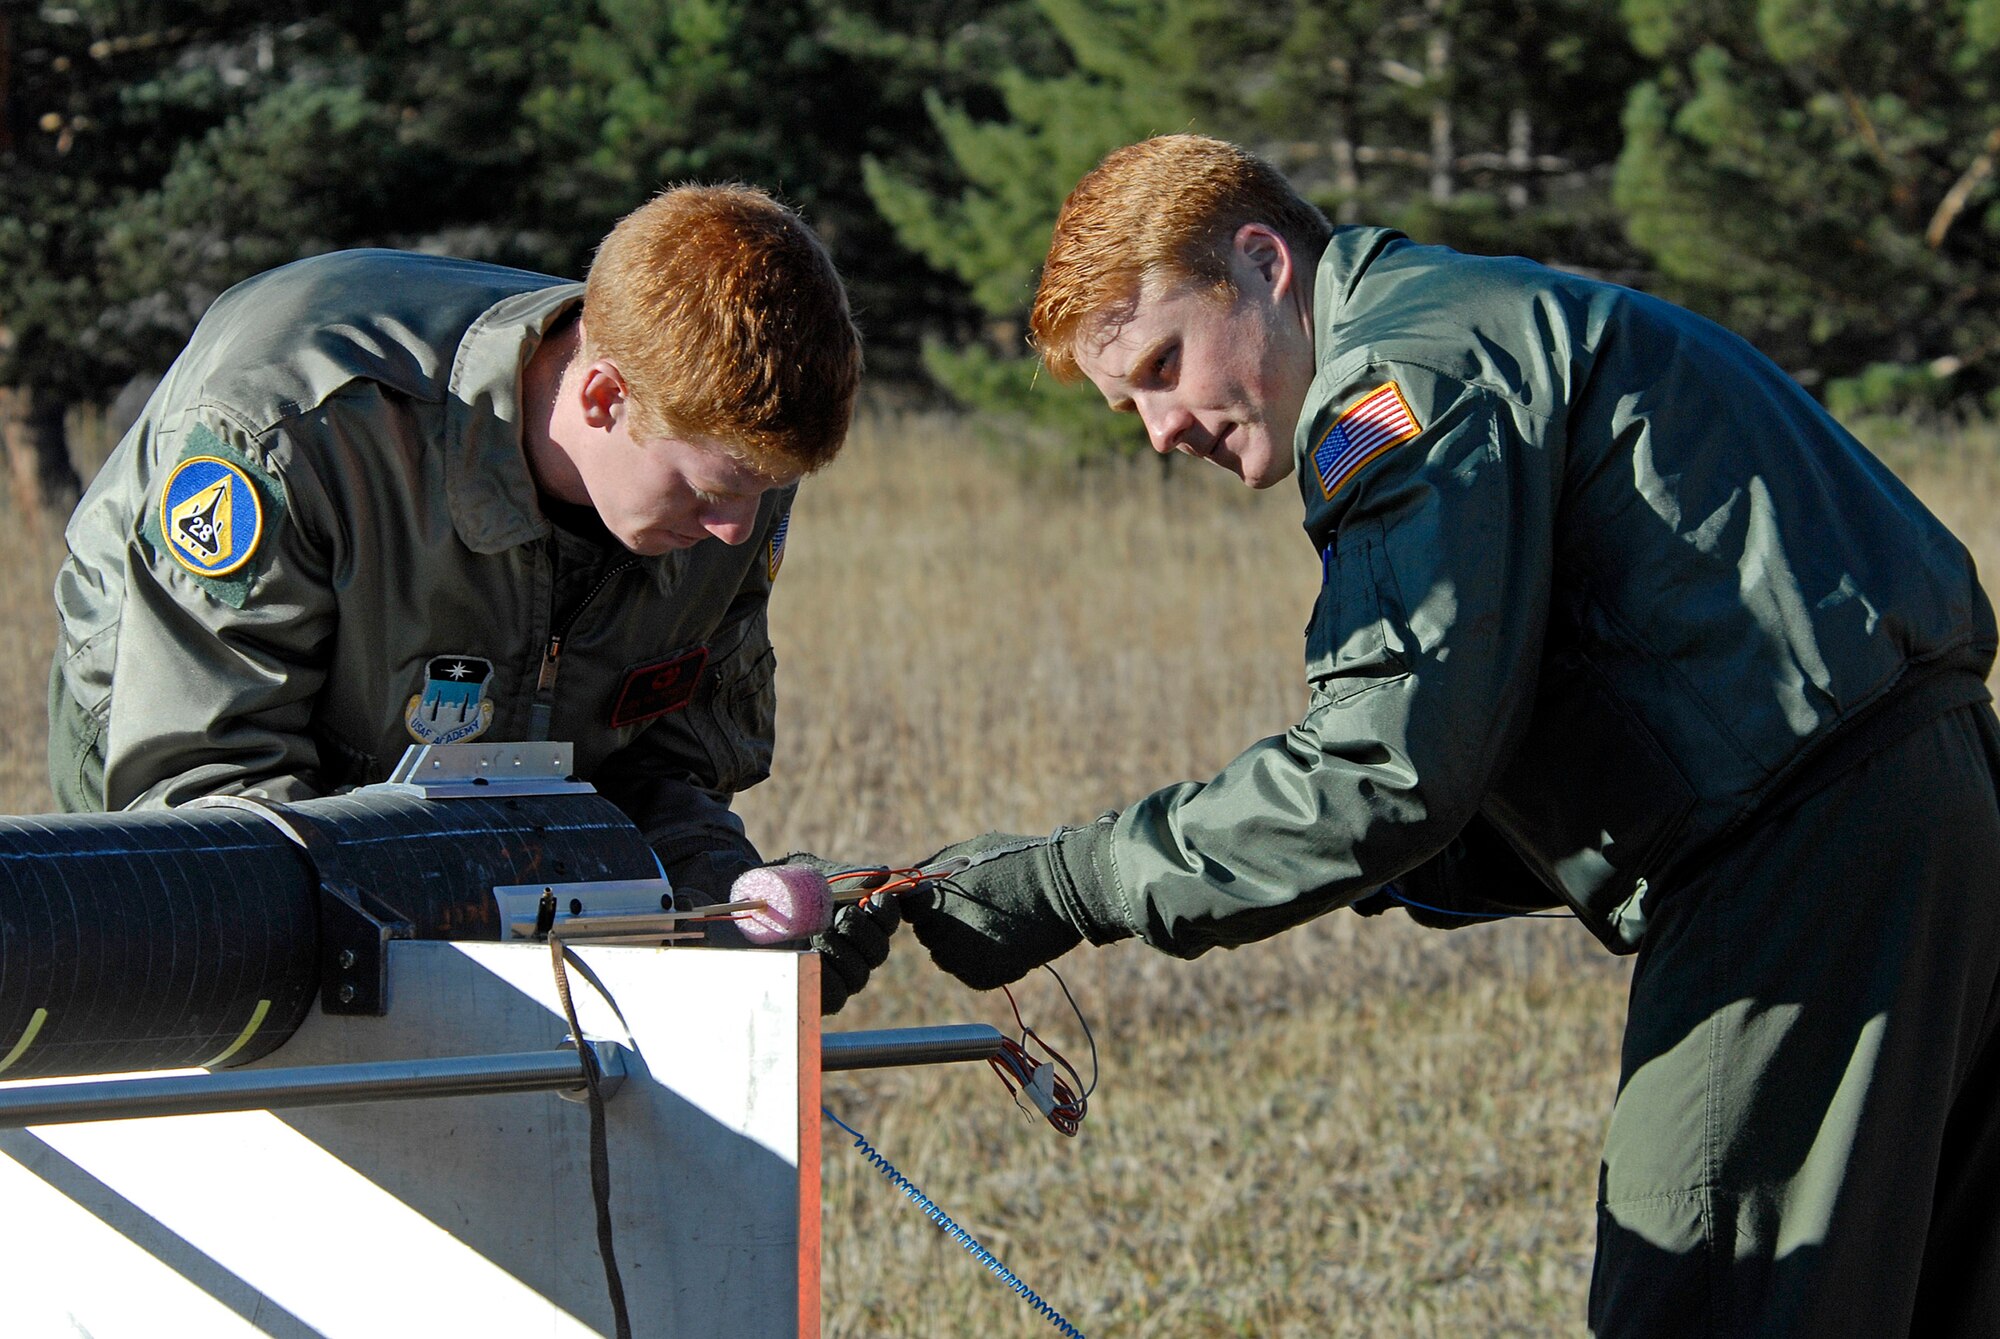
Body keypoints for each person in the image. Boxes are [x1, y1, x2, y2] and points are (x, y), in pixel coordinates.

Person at [898, 134, 2000, 1336]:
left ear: (1262, 262)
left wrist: (1064, 880)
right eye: (1130, 404)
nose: (1160, 428)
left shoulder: (1401, 374)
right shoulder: (1471, 314)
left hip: (1802, 860)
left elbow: (1380, 768)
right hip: (1929, 805)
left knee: (1704, 1289)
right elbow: (1498, 741)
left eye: (1164, 363)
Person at [48, 183, 899, 1011]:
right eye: (715, 490)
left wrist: (736, 920)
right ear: (603, 398)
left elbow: (662, 773)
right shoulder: (290, 433)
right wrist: (447, 912)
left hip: (434, 759)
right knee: (219, 979)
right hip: (176, 689)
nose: (735, 531)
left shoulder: (730, 453)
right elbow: (205, 797)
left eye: (769, 490)